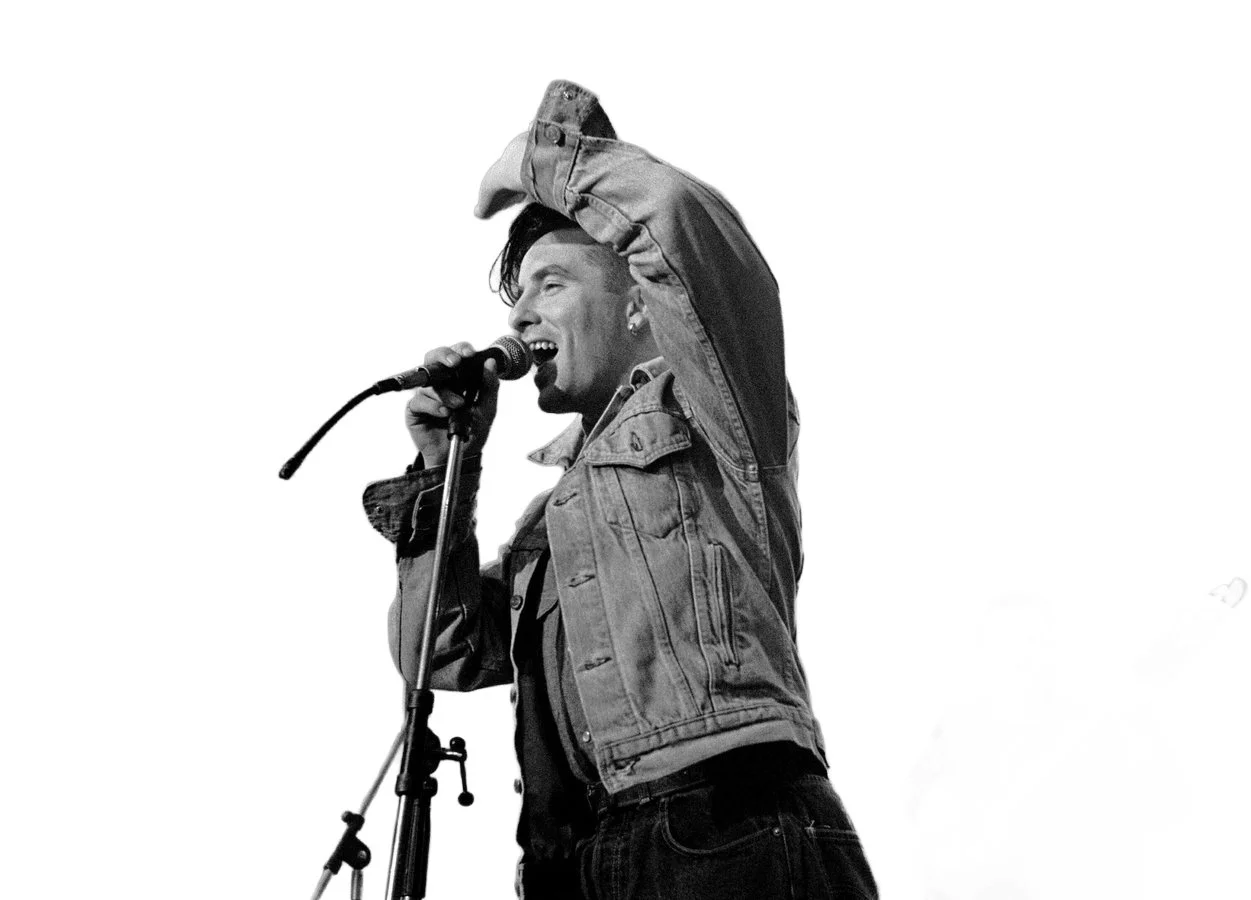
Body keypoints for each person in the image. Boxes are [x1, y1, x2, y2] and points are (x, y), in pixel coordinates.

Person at [362, 80, 877, 899]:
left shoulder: (715, 405)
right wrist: (443, 472)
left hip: (723, 824)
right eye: (517, 296)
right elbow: (442, 652)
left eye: (551, 285)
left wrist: (544, 165)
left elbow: (675, 218)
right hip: (577, 860)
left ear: (641, 304)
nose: (518, 317)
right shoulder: (548, 522)